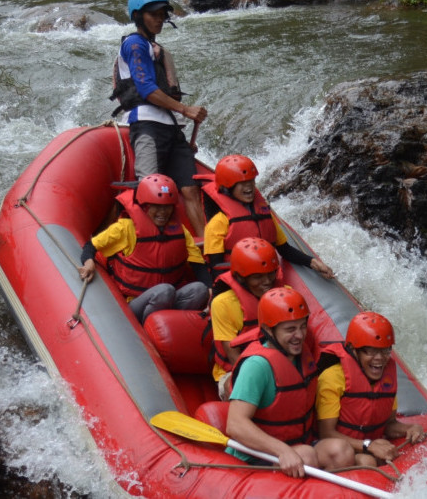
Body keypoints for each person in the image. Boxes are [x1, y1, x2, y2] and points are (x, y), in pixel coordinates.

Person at [226, 287, 355, 476]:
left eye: (303, 326)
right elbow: (235, 424)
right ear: (269, 330)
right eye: (290, 329)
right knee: (307, 456)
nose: (300, 335)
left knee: (341, 451)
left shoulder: (301, 355)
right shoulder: (256, 365)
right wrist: (282, 450)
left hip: (298, 444)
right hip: (257, 456)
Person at [111, 0, 207, 237]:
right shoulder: (134, 44)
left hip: (171, 128)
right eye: (153, 14)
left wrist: (183, 114)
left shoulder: (156, 49)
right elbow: (146, 89)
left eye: (162, 14)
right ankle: (146, 248)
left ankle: (209, 250)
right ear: (139, 16)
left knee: (190, 190)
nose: (159, 19)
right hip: (145, 126)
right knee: (151, 191)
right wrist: (185, 110)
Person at [78, 174, 211, 324]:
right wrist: (88, 262)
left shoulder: (180, 231)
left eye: (167, 206)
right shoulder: (126, 228)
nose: (163, 212)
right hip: (136, 302)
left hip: (169, 298)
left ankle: (172, 325)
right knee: (164, 291)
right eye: (156, 206)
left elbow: (197, 263)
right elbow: (91, 246)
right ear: (145, 206)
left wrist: (211, 288)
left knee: (200, 289)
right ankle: (145, 328)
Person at [315, 311, 424, 467]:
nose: (379, 358)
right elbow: (326, 433)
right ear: (354, 349)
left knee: (380, 448)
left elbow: (389, 424)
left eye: (385, 350)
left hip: (367, 444)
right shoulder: (332, 377)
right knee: (366, 460)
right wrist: (369, 446)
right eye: (371, 351)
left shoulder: (387, 377)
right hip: (337, 449)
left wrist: (411, 428)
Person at [201, 154, 333, 279]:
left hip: (265, 278)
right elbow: (216, 267)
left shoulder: (264, 214)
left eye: (251, 181)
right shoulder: (218, 223)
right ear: (227, 187)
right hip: (240, 279)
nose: (249, 187)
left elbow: (285, 250)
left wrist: (313, 262)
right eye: (242, 183)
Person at [210, 237, 283, 401]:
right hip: (235, 369)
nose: (267, 282)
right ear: (242, 277)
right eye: (257, 277)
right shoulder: (222, 304)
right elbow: (233, 355)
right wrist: (266, 379)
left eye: (271, 274)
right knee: (245, 389)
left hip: (279, 363)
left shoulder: (284, 294)